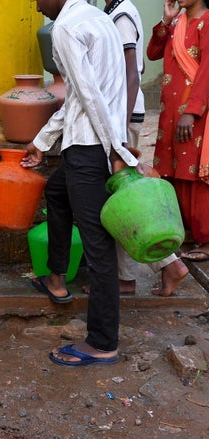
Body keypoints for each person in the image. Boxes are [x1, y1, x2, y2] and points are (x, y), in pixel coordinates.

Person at [22, 0, 140, 366]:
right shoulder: (99, 19)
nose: (37, 5)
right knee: (56, 193)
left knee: (98, 248)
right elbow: (78, 96)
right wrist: (42, 142)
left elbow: (88, 95)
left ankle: (103, 342)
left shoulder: (66, 27)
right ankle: (55, 276)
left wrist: (115, 150)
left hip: (92, 149)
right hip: (93, 143)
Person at [102, 0, 188, 296]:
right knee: (124, 195)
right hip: (120, 114)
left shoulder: (122, 14)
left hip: (122, 116)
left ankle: (152, 269)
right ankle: (163, 266)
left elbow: (131, 73)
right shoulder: (115, 11)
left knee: (127, 197)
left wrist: (119, 132)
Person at [147, 0, 209, 263]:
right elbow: (153, 53)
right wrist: (166, 21)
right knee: (173, 170)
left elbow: (207, 72)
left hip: (194, 114)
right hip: (170, 113)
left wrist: (191, 112)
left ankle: (206, 239)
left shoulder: (207, 23)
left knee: (195, 173)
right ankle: (182, 231)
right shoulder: (178, 23)